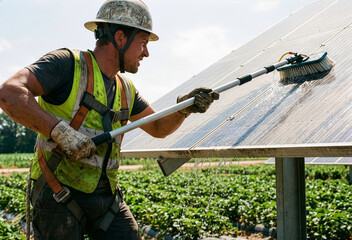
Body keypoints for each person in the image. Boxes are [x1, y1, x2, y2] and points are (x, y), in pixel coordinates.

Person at [0, 0, 219, 239]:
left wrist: (183, 108)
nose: (146, 52)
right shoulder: (67, 64)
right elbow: (9, 92)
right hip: (58, 193)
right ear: (121, 38)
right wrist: (60, 132)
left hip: (105, 197)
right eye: (143, 43)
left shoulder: (126, 89)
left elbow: (157, 127)